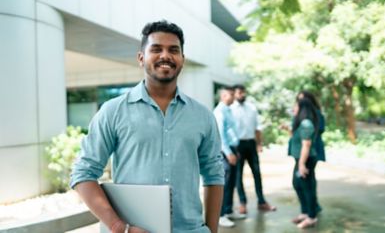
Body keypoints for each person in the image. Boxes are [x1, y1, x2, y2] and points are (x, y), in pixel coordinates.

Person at [70, 20, 224, 233]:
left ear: (182, 59)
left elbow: (214, 175)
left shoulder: (203, 116)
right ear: (141, 58)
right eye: (156, 49)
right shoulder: (113, 111)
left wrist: (211, 230)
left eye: (173, 50)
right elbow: (83, 173)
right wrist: (119, 227)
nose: (166, 56)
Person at [230, 85, 277, 215]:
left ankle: (261, 202)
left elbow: (258, 127)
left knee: (257, 172)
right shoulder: (230, 109)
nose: (242, 95)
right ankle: (242, 203)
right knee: (238, 175)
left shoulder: (252, 108)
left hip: (251, 143)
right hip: (237, 145)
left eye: (243, 92)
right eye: (239, 93)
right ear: (234, 94)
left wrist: (259, 143)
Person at [213, 86, 245, 228]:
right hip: (225, 152)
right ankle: (220, 216)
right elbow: (220, 136)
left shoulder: (228, 110)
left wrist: (235, 150)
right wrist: (229, 153)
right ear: (223, 96)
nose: (234, 97)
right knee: (224, 183)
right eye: (231, 95)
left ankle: (228, 210)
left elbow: (230, 132)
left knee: (232, 182)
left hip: (232, 149)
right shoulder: (220, 112)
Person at [289, 98, 319, 229]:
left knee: (307, 187)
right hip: (301, 159)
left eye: (295, 106)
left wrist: (302, 164)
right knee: (297, 184)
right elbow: (297, 138)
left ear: (302, 109)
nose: (293, 108)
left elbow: (306, 145)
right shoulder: (302, 123)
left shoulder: (306, 123)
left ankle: (311, 217)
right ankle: (305, 212)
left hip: (306, 159)